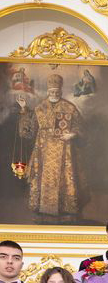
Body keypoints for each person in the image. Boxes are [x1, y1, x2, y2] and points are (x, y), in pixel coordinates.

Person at [15, 74, 85, 224]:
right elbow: (28, 132)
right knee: (41, 178)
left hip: (64, 149)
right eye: (51, 92)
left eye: (57, 92)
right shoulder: (40, 108)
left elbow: (81, 128)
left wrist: (72, 134)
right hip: (43, 150)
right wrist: (24, 110)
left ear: (60, 91)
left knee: (64, 179)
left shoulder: (70, 108)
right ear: (48, 91)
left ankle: (65, 212)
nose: (54, 94)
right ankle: (43, 213)